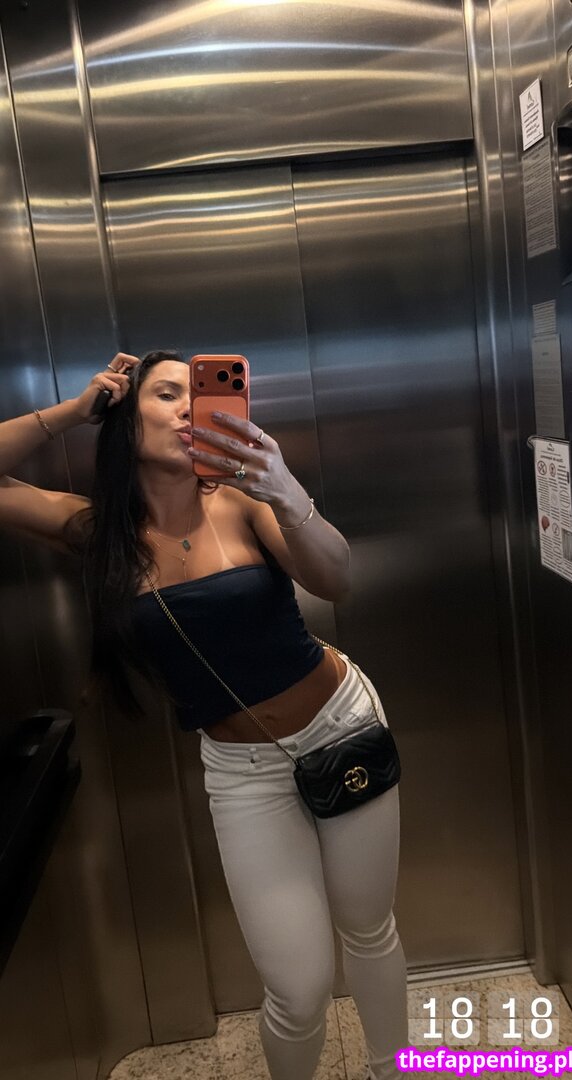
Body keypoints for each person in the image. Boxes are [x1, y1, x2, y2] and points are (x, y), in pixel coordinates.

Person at [0, 349, 409, 1080]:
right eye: (166, 393)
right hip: (244, 773)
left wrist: (285, 490)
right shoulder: (96, 531)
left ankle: (391, 1068)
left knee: (368, 928)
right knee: (297, 989)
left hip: (341, 725)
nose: (190, 405)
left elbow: (337, 579)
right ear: (124, 419)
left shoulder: (245, 500)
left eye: (199, 392)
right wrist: (70, 412)